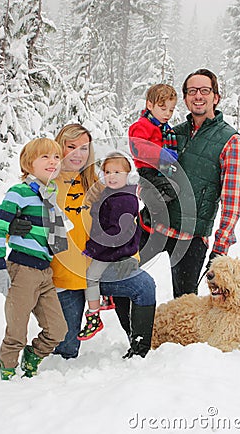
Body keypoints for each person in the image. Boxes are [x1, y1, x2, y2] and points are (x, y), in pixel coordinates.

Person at [10, 124, 156, 359]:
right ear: (60, 147)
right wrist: (14, 227)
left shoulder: (98, 185)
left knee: (143, 285)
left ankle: (140, 350)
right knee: (67, 350)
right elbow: (7, 221)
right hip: (62, 279)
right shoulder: (42, 185)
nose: (78, 154)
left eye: (84, 148)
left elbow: (126, 224)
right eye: (71, 147)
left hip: (95, 273)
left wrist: (131, 257)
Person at [135, 69, 240, 298]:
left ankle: (177, 335)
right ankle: (136, 334)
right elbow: (145, 167)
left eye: (204, 90)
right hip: (152, 225)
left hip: (190, 238)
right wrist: (144, 190)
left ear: (215, 97)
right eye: (192, 91)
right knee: (120, 280)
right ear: (185, 98)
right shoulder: (172, 133)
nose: (198, 95)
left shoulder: (231, 142)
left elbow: (232, 203)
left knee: (185, 304)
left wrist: (220, 249)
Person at [0, 138, 69, 380]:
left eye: (56, 157)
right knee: (16, 331)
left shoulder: (51, 197)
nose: (52, 162)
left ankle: (33, 355)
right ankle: (8, 371)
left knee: (58, 330)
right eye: (45, 157)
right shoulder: (19, 192)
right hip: (22, 269)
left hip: (45, 272)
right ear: (28, 163)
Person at [77, 151, 141, 341]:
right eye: (107, 172)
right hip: (110, 247)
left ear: (127, 175)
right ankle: (107, 299)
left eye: (117, 172)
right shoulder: (110, 193)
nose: (111, 176)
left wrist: (94, 248)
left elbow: (115, 233)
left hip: (114, 250)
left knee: (91, 276)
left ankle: (94, 316)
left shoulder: (126, 199)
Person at [129, 84, 180, 231]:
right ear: (150, 105)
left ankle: (151, 210)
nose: (167, 114)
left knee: (171, 191)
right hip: (147, 170)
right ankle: (147, 210)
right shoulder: (142, 125)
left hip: (159, 169)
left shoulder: (163, 128)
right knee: (172, 189)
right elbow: (138, 148)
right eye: (163, 109)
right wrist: (162, 154)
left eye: (171, 110)